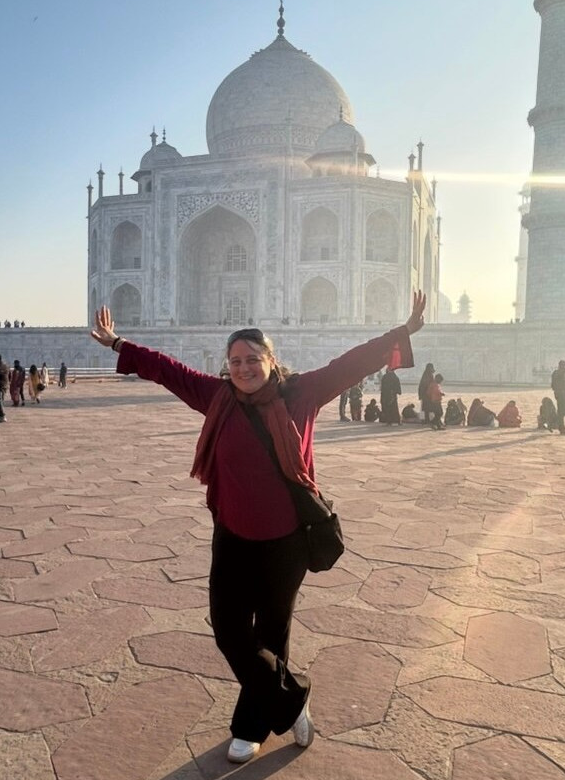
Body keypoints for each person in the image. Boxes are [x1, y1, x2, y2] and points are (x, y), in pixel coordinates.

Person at [90, 291, 426, 764]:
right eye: (235, 361)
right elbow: (168, 370)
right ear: (227, 367)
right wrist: (117, 344)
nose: (244, 368)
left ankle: (251, 727)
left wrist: (402, 332)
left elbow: (352, 364)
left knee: (271, 634)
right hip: (233, 535)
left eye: (252, 359)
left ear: (271, 359)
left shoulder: (302, 393)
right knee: (229, 632)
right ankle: (293, 699)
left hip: (286, 540)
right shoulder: (217, 397)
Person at [551, 360, 565, 434]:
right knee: (561, 411)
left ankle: (554, 422)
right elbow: (554, 384)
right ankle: (562, 428)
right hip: (560, 394)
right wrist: (558, 391)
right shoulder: (557, 373)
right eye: (564, 365)